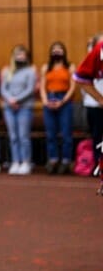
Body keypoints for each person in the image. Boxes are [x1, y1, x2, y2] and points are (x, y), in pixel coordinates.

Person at [39, 41, 76, 174]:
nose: (57, 52)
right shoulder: (46, 68)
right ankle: (53, 160)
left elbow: (73, 86)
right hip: (49, 99)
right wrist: (45, 100)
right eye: (54, 49)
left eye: (59, 49)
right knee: (51, 134)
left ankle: (66, 161)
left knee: (66, 134)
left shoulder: (70, 67)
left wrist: (63, 101)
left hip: (64, 101)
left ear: (64, 52)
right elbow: (43, 86)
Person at [1, 45, 36, 175]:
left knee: (23, 136)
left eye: (22, 55)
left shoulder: (30, 71)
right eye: (17, 55)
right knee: (13, 136)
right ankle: (16, 161)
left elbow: (30, 89)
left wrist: (17, 100)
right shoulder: (7, 71)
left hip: (24, 107)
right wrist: (10, 100)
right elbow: (3, 89)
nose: (20, 57)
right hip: (9, 107)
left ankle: (26, 162)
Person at [73, 33, 103, 169]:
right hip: (95, 105)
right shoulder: (96, 56)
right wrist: (99, 99)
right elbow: (80, 78)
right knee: (98, 136)